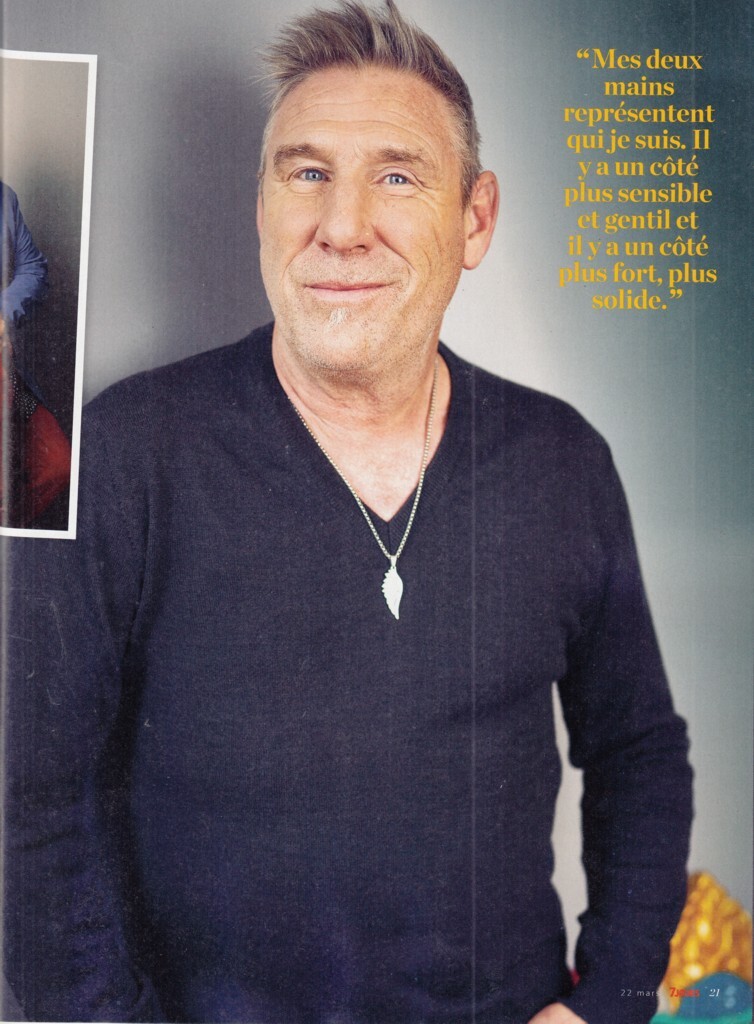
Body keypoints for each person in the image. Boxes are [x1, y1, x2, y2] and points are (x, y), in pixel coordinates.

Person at [4, 2, 693, 1022]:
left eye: (398, 177)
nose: (341, 225)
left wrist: (613, 1002)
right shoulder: (126, 454)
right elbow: (26, 798)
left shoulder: (562, 461)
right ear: (261, 206)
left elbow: (640, 754)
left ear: (475, 219)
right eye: (307, 173)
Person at [1, 180, 71, 528]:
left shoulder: (4, 197)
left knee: (57, 462)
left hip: (10, 377)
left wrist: (3, 313)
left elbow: (33, 268)